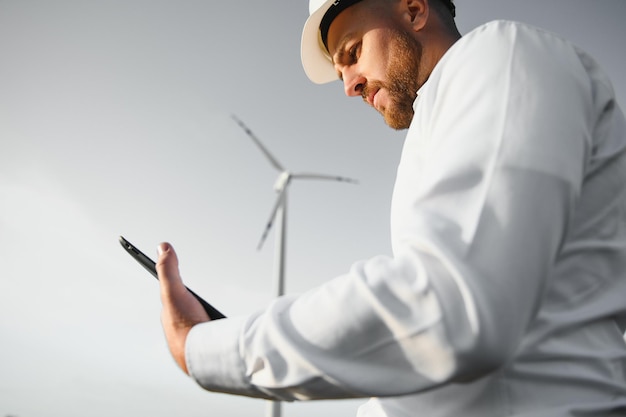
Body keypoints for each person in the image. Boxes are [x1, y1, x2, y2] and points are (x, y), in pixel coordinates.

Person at [155, 0, 626, 415]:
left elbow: (452, 309)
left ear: (414, 9)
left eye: (353, 53)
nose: (349, 86)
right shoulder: (443, 120)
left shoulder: (500, 55)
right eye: (341, 73)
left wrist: (208, 347)